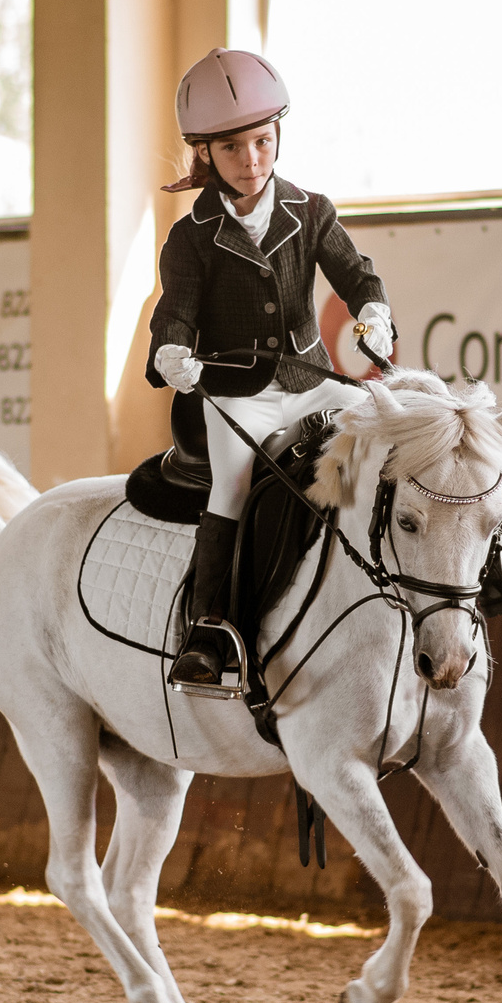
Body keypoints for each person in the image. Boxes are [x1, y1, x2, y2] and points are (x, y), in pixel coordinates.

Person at [146, 48, 387, 690]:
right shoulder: (191, 237)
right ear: (205, 154)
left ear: (279, 133)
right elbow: (175, 312)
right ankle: (208, 630)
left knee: (384, 442)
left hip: (309, 381)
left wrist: (374, 311)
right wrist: (171, 353)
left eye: (262, 141)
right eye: (232, 149)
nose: (251, 160)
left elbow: (356, 274)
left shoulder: (311, 212)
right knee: (232, 484)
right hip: (234, 393)